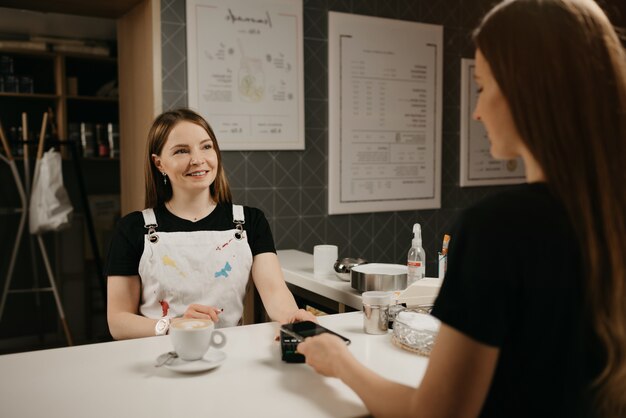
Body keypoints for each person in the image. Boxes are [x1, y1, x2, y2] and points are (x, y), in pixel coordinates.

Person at [297, 0, 626, 416]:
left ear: (525, 91)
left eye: (484, 87)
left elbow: (437, 413)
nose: (476, 111)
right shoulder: (607, 215)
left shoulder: (499, 228)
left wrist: (340, 362)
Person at [106, 108, 315, 340]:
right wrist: (172, 324)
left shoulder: (250, 222)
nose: (198, 160)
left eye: (206, 146)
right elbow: (118, 322)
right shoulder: (133, 228)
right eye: (181, 151)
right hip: (160, 358)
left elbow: (275, 292)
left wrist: (292, 316)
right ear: (159, 164)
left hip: (229, 355)